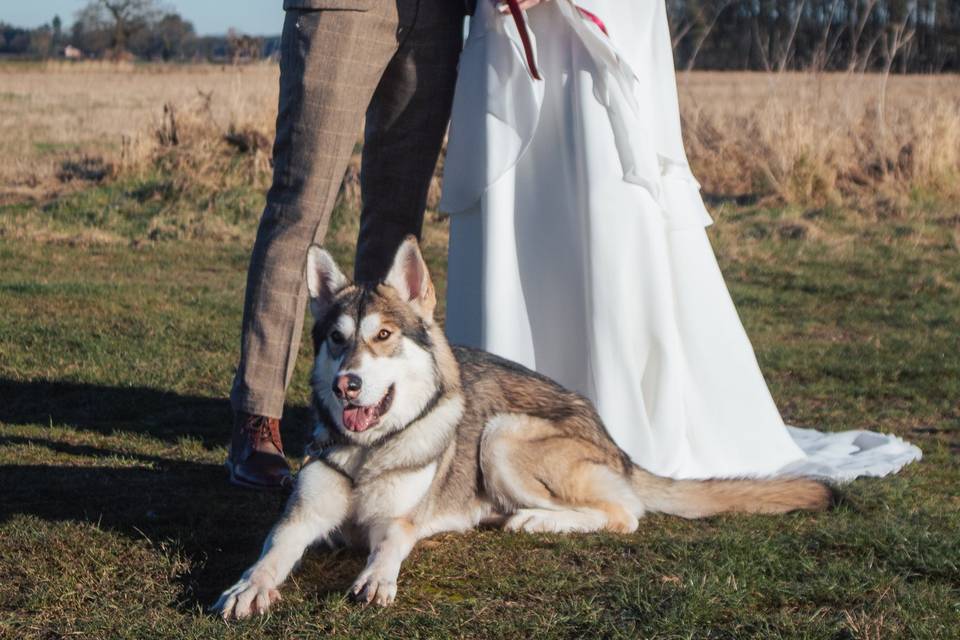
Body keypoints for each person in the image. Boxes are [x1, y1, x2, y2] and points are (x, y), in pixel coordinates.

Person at [441, 0, 921, 481]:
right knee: (519, 199)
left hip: (591, 31)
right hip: (510, 31)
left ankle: (612, 418)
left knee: (602, 188)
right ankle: (507, 413)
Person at [227, 0, 471, 489]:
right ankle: (258, 418)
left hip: (439, 14)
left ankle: (370, 415)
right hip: (344, 9)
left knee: (399, 217)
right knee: (301, 207)